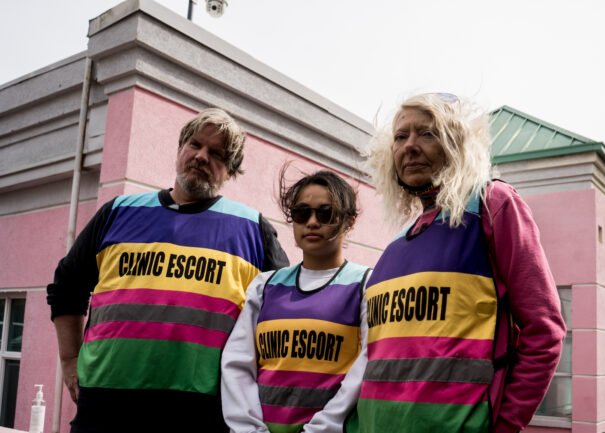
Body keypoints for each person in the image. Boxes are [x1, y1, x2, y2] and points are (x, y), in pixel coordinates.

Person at [46, 108, 289, 433]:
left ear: (230, 171)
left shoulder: (252, 231)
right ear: (179, 149)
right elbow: (67, 286)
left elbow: (284, 315)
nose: (201, 157)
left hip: (203, 413)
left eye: (216, 154)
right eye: (195, 144)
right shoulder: (118, 213)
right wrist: (69, 361)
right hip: (104, 408)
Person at [344, 93, 566, 433]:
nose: (410, 146)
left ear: (456, 143)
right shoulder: (394, 245)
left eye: (427, 133)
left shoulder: (492, 205)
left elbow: (544, 333)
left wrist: (502, 427)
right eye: (401, 136)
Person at [221, 169, 370, 433]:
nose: (312, 222)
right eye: (302, 213)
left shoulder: (365, 285)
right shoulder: (264, 286)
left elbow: (364, 369)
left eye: (325, 213)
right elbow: (237, 366)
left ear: (349, 222)